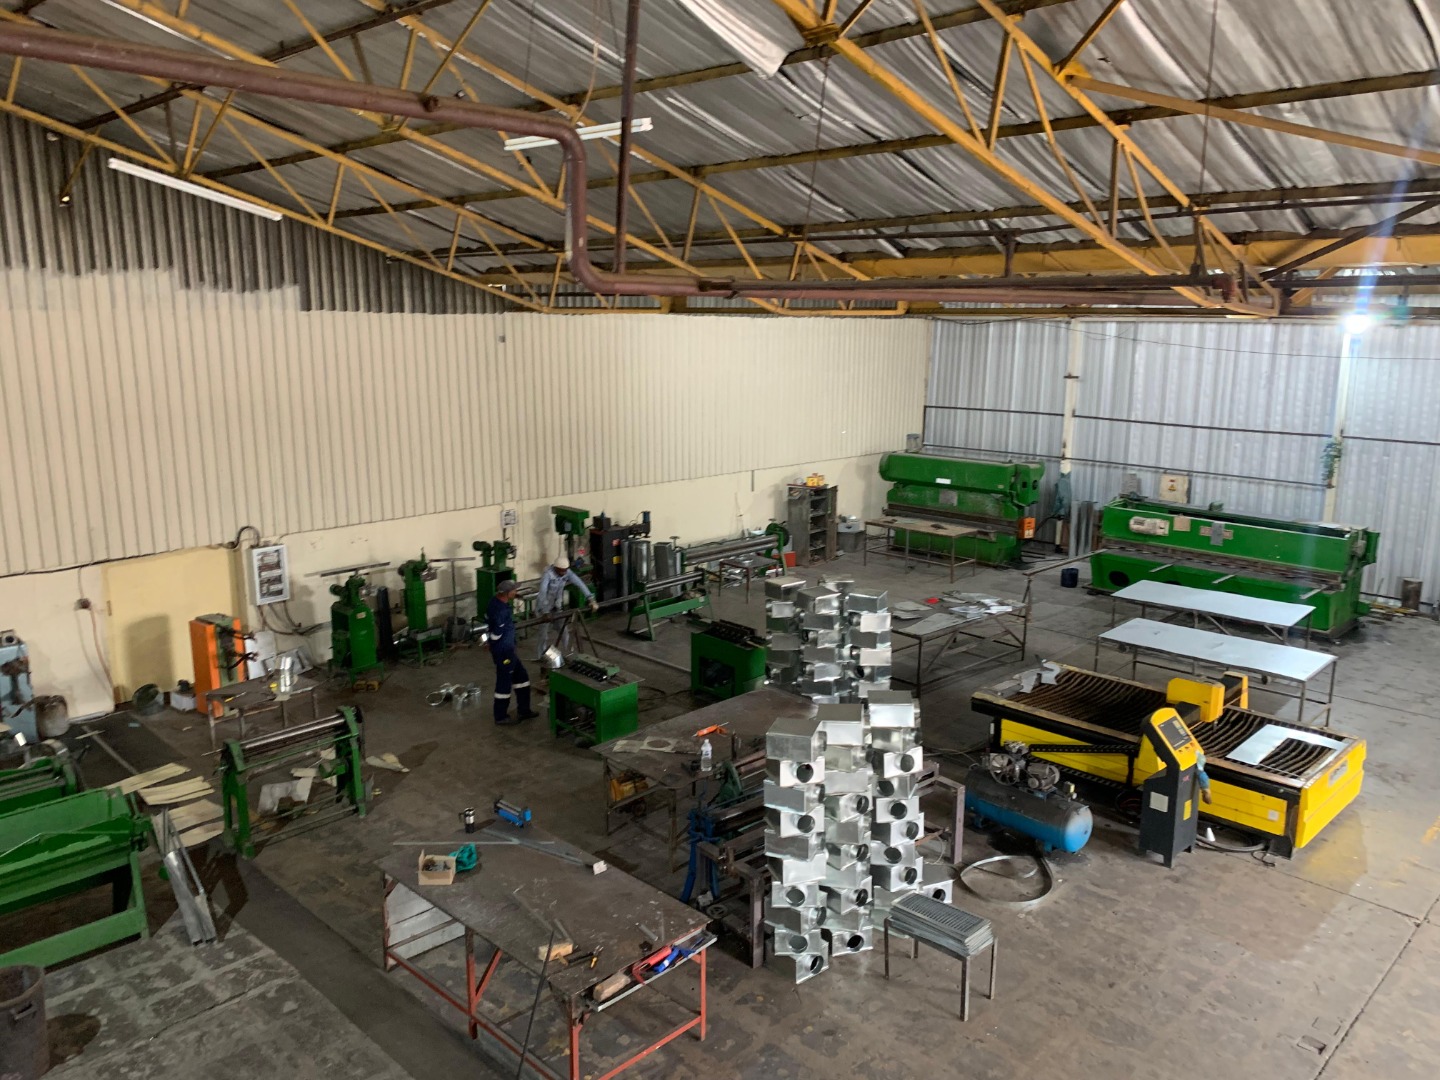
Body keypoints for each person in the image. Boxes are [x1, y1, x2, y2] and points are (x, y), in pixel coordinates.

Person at [486, 578, 538, 726]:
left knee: (522, 678)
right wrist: (493, 644)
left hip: (508, 649)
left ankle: (524, 710)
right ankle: (500, 716)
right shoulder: (501, 610)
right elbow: (497, 632)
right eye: (514, 590)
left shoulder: (495, 602)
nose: (516, 592)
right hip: (504, 651)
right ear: (507, 593)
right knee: (504, 682)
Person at [535, 555, 598, 660]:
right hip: (544, 608)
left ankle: (569, 655)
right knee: (543, 636)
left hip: (557, 608)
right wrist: (545, 612)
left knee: (564, 632)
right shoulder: (548, 574)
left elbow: (580, 583)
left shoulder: (567, 572)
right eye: (561, 570)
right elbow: (542, 593)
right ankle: (540, 658)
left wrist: (591, 599)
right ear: (556, 568)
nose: (564, 573)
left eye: (565, 570)